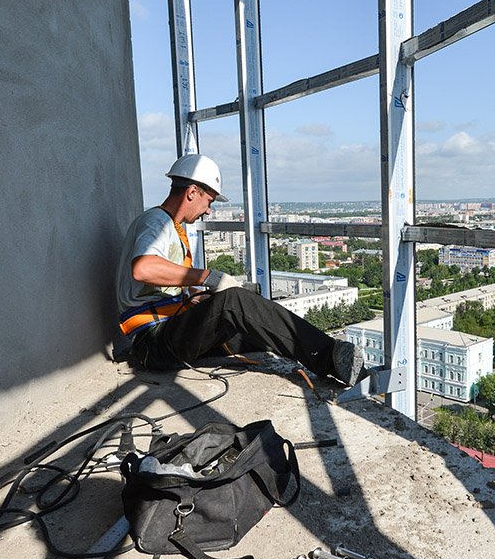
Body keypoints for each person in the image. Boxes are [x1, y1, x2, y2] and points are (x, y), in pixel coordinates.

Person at [114, 154, 363, 386]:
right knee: (233, 302)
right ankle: (329, 356)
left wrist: (196, 297)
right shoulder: (156, 221)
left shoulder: (170, 226)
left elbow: (159, 286)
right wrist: (209, 277)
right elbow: (143, 268)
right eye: (209, 201)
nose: (209, 210)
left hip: (167, 335)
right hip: (153, 343)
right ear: (192, 192)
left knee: (256, 326)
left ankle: (351, 371)